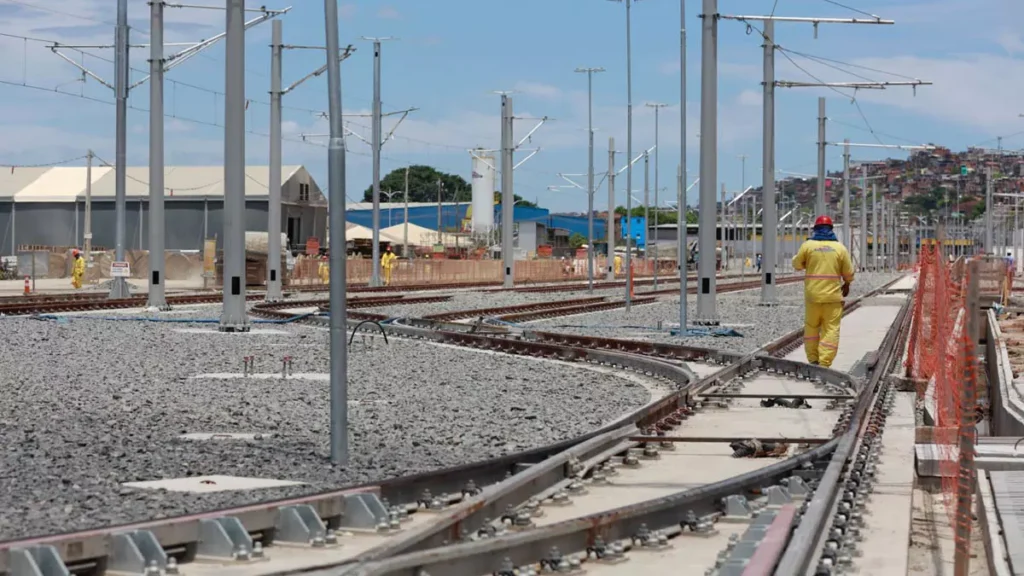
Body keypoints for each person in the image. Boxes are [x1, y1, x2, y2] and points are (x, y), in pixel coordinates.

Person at [792, 216, 854, 368]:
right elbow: (849, 272)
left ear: (815, 229)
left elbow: (797, 264)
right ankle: (825, 363)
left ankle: (813, 360)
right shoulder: (840, 248)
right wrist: (847, 284)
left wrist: (806, 261)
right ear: (831, 229)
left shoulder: (808, 246)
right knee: (831, 329)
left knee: (811, 328)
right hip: (832, 297)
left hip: (813, 296)